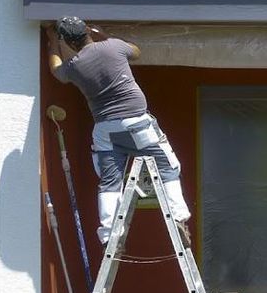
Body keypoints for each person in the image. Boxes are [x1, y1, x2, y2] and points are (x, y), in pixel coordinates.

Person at [44, 16, 192, 247]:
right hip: (138, 124)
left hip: (105, 131)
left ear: (70, 44)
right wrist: (104, 35)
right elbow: (136, 51)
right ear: (87, 31)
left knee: (109, 182)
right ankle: (179, 219)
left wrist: (52, 42)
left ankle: (109, 236)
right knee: (168, 169)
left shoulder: (74, 66)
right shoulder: (113, 46)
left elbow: (56, 70)